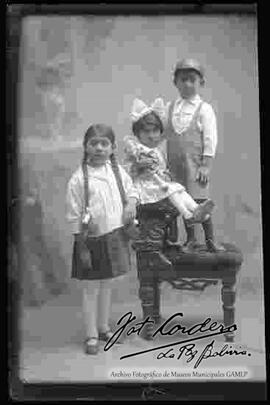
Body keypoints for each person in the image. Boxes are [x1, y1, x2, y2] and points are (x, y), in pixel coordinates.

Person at [66, 124, 139, 355]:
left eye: (104, 143)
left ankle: (104, 327)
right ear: (85, 147)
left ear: (112, 147)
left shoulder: (116, 172)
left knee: (107, 284)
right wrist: (81, 243)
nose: (99, 148)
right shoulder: (78, 179)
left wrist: (131, 203)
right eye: (93, 143)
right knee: (91, 288)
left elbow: (132, 190)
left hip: (115, 235)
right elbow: (73, 213)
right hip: (91, 240)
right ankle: (91, 335)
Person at [123, 98, 215, 234]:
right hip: (144, 187)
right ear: (137, 133)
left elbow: (163, 168)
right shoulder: (136, 149)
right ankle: (187, 214)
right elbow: (126, 172)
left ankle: (196, 210)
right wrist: (137, 166)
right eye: (146, 132)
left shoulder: (160, 150)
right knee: (172, 190)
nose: (151, 136)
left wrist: (165, 174)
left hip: (159, 184)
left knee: (179, 191)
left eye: (155, 131)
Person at [164, 58, 225, 252]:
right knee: (182, 202)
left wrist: (205, 165)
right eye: (183, 80)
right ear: (175, 82)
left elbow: (210, 139)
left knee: (199, 202)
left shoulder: (204, 109)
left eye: (192, 79)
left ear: (201, 83)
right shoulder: (170, 108)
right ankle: (191, 239)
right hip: (175, 166)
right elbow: (164, 135)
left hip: (195, 165)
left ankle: (210, 239)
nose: (187, 84)